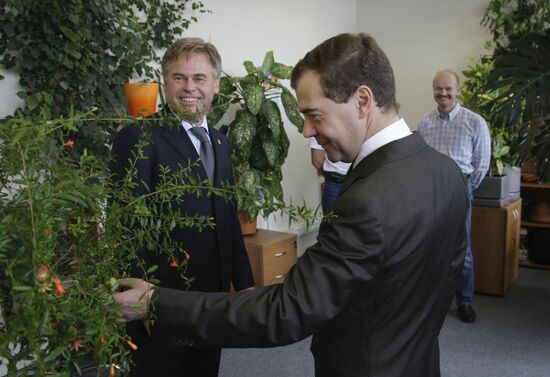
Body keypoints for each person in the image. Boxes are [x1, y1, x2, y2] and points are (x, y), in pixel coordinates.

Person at [114, 33, 469, 377]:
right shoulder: (445, 173)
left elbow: (288, 310)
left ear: (363, 101)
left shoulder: (367, 202)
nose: (307, 132)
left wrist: (155, 303)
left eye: (315, 115)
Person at [110, 37, 255, 377]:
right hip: (163, 300)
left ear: (215, 84)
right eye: (179, 78)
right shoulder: (139, 138)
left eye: (199, 78)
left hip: (212, 302)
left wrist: (245, 286)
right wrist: (143, 305)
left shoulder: (220, 142)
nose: (190, 87)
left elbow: (227, 218)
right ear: (165, 83)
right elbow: (125, 228)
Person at [417, 69, 491, 324]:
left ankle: (465, 300)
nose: (443, 93)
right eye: (439, 88)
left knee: (463, 248)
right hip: (432, 191)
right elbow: (420, 160)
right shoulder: (424, 123)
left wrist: (465, 187)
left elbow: (481, 165)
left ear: (458, 90)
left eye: (448, 88)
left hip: (461, 188)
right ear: (433, 90)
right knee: (431, 245)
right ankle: (433, 299)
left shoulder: (474, 122)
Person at [309, 138, 351, 212]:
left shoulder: (318, 127)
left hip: (334, 183)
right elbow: (317, 161)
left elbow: (317, 161)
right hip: (362, 180)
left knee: (332, 221)